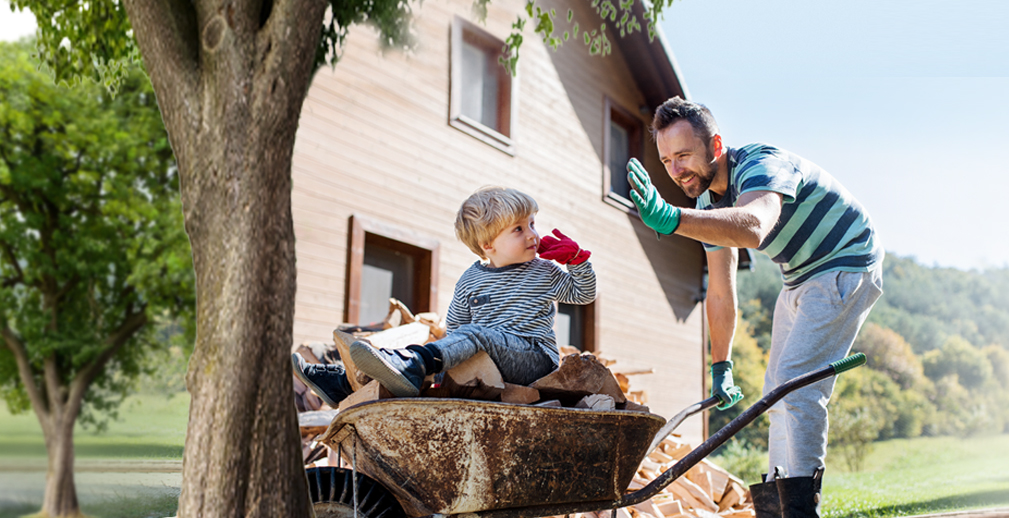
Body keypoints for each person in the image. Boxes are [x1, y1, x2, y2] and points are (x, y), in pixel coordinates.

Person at [626, 97, 883, 518]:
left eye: (684, 155)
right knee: (773, 394)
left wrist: (672, 218)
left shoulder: (760, 164)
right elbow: (721, 291)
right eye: (667, 160)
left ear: (716, 144)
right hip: (799, 276)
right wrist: (721, 365)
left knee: (794, 383)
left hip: (846, 262)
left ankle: (800, 509)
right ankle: (776, 508)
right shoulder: (707, 207)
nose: (676, 171)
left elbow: (754, 225)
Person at [294, 186, 597, 402]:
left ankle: (412, 365)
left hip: (534, 359)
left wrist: (578, 262)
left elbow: (583, 294)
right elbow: (453, 332)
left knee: (476, 335)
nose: (533, 234)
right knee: (457, 343)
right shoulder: (471, 280)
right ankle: (346, 385)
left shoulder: (542, 271)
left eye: (532, 223)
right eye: (518, 229)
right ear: (487, 245)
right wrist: (442, 380)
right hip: (488, 360)